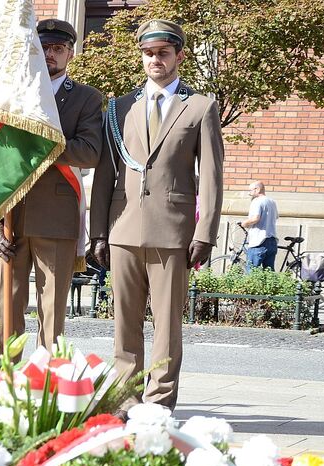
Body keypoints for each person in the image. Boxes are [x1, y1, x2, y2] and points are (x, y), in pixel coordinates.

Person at [90, 19, 224, 413]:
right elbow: (105, 175)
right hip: (123, 227)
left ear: (179, 55)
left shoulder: (200, 106)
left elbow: (212, 177)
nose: (155, 60)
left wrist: (205, 232)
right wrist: (98, 231)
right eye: (149, 53)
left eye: (163, 53)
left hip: (173, 232)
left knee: (166, 327)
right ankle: (126, 402)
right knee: (124, 325)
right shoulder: (119, 107)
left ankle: (160, 403)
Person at [0, 19, 103, 349]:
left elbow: (90, 152)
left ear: (70, 54)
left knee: (52, 314)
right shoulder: (9, 96)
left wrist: (42, 142)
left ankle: (46, 385)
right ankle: (5, 385)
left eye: (57, 49)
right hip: (9, 215)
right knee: (7, 311)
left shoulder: (86, 98)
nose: (50, 54)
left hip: (56, 217)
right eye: (43, 48)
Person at [242, 180, 278, 270]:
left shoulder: (257, 201)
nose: (249, 194)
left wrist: (244, 223)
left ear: (257, 189)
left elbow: (255, 218)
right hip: (272, 240)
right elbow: (276, 217)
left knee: (252, 274)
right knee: (269, 275)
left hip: (258, 242)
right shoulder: (272, 202)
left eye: (250, 191)